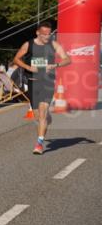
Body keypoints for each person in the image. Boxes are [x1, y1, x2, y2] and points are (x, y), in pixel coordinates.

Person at [12, 21, 71, 154]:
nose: (46, 36)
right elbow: (16, 59)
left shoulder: (53, 44)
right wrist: (28, 67)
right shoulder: (29, 44)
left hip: (47, 83)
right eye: (44, 34)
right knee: (38, 117)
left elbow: (67, 59)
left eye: (49, 34)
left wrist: (56, 65)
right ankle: (45, 122)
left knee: (43, 114)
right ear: (37, 33)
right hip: (33, 82)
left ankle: (39, 144)